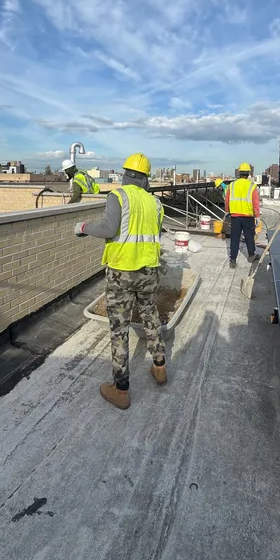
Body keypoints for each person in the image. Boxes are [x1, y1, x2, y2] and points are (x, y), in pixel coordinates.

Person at [73, 152, 166, 410]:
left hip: (122, 273)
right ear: (146, 179)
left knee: (119, 328)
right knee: (151, 317)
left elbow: (108, 229)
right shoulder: (156, 203)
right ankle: (160, 369)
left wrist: (82, 227)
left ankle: (121, 390)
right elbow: (154, 235)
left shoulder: (118, 196)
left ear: (125, 175)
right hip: (148, 271)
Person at [225, 162, 260, 268]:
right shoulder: (252, 186)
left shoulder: (232, 185)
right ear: (248, 173)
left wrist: (227, 211)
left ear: (239, 173)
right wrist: (257, 216)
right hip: (248, 216)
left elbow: (227, 200)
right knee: (249, 236)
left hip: (235, 216)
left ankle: (233, 260)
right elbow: (255, 203)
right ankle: (251, 256)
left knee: (235, 238)